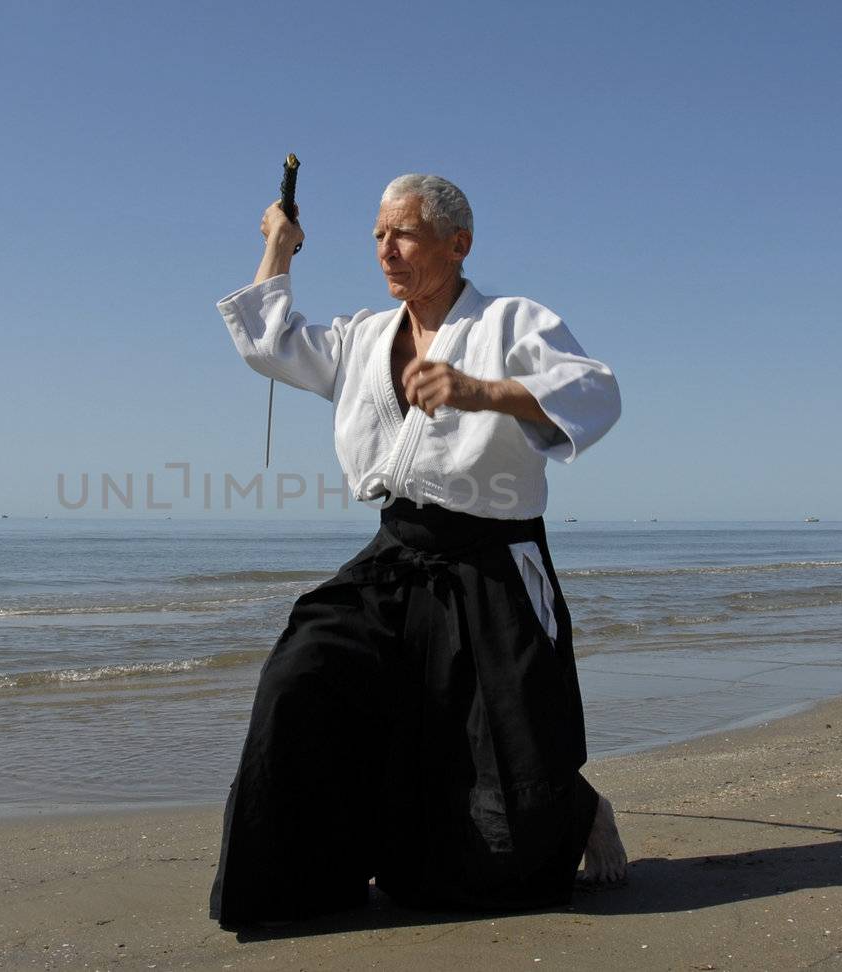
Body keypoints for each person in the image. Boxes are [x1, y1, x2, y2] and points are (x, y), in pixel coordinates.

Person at [210, 174, 626, 928]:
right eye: (376, 235)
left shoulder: (511, 322)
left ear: (457, 243)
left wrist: (482, 392)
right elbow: (270, 342)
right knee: (303, 675)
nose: (385, 251)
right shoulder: (365, 335)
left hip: (493, 559)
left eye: (402, 234)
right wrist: (278, 245)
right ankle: (306, 882)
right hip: (397, 552)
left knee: (502, 787)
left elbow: (596, 393)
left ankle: (583, 810)